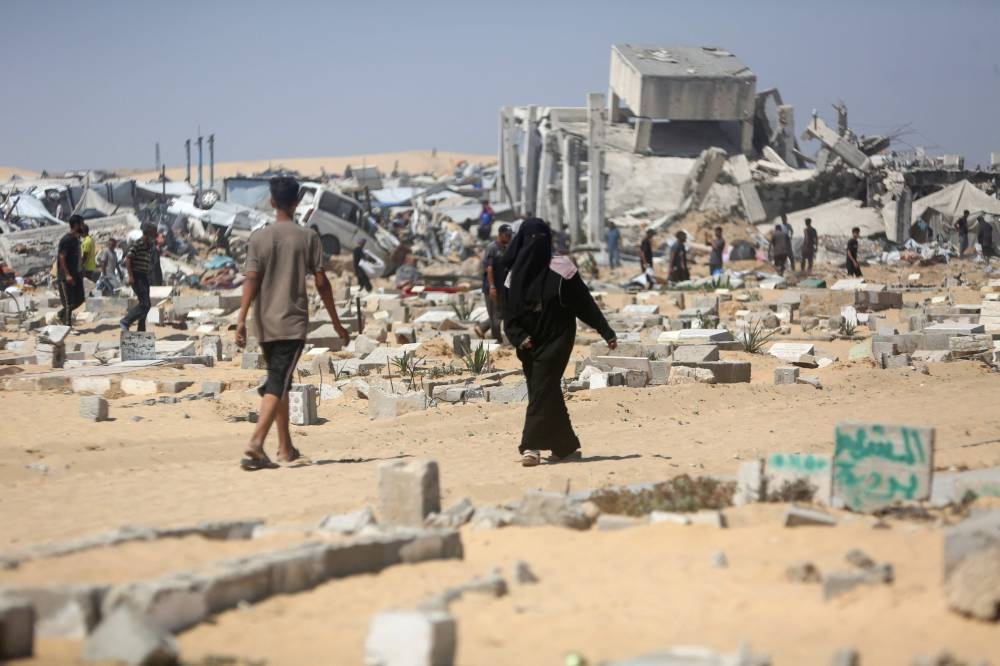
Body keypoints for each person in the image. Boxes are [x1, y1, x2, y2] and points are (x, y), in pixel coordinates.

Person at [236, 177, 350, 470]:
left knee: (280, 380)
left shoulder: (258, 238)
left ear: (272, 202)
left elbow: (251, 279)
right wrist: (336, 323)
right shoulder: (308, 237)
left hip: (263, 323)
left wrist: (240, 320)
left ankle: (285, 448)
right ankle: (256, 443)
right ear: (297, 202)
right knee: (278, 381)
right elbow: (322, 282)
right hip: (291, 322)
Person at [501, 218, 617, 467]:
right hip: (529, 345)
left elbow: (584, 303)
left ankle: (530, 446)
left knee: (542, 389)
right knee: (545, 391)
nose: (536, 244)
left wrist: (606, 331)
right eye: (532, 239)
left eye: (541, 239)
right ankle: (565, 446)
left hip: (558, 339)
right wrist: (520, 338)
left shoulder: (562, 269)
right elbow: (509, 316)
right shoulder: (513, 277)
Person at [120, 222, 157, 332]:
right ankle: (126, 321)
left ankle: (141, 328)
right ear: (149, 232)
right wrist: (131, 276)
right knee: (145, 304)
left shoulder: (148, 245)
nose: (155, 234)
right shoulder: (138, 243)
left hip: (143, 276)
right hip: (137, 276)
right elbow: (128, 259)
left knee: (145, 304)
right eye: (154, 232)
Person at [482, 223, 513, 341]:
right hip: (492, 287)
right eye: (507, 235)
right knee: (494, 314)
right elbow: (489, 268)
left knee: (501, 313)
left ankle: (482, 328)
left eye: (510, 235)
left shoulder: (504, 248)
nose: (509, 238)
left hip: (501, 287)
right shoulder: (492, 248)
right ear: (500, 235)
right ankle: (497, 340)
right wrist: (492, 286)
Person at [56, 215, 85, 327]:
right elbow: (62, 257)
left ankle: (60, 315)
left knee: (80, 298)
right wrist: (67, 275)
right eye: (81, 224)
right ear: (76, 225)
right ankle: (67, 326)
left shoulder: (76, 239)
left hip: (76, 274)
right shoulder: (66, 240)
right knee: (69, 302)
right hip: (66, 275)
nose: (83, 226)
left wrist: (80, 269)